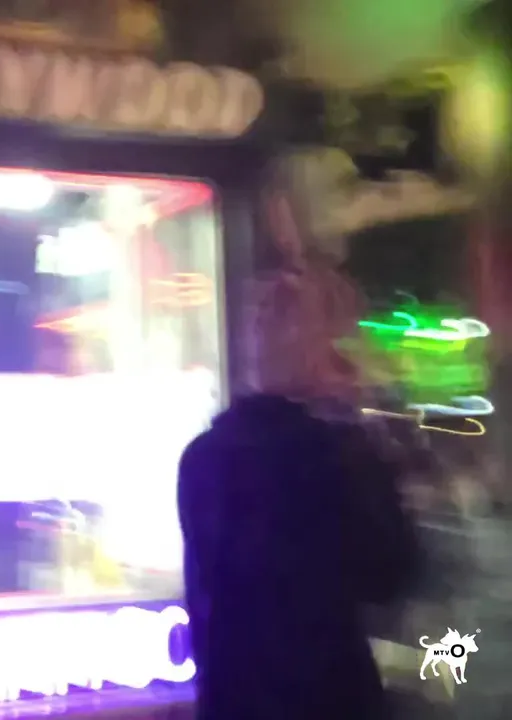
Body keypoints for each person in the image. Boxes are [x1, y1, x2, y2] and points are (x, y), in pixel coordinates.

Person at [176, 194, 420, 719]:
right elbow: (389, 573)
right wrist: (362, 431)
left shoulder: (204, 457)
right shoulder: (332, 457)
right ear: (314, 347)